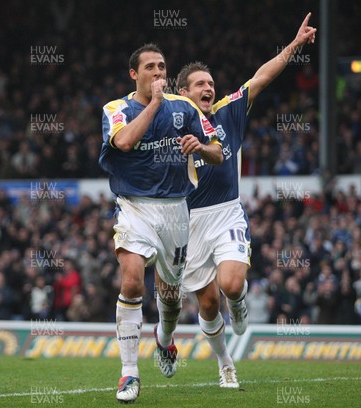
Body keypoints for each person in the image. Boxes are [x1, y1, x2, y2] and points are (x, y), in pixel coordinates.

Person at [177, 13, 316, 387]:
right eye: (200, 84)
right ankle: (226, 364)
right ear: (184, 92)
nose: (208, 87)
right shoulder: (170, 122)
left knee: (232, 285)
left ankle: (237, 305)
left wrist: (295, 44)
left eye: (210, 82)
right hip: (188, 224)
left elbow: (261, 77)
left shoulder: (227, 111)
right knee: (206, 304)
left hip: (226, 213)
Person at [99, 43, 223, 403]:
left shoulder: (184, 107)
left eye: (163, 67)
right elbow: (123, 141)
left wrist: (199, 148)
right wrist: (154, 104)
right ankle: (129, 375)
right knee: (133, 279)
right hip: (134, 207)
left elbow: (217, 151)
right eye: (150, 67)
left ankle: (165, 340)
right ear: (134, 74)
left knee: (170, 300)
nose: (159, 73)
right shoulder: (117, 109)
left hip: (175, 210)